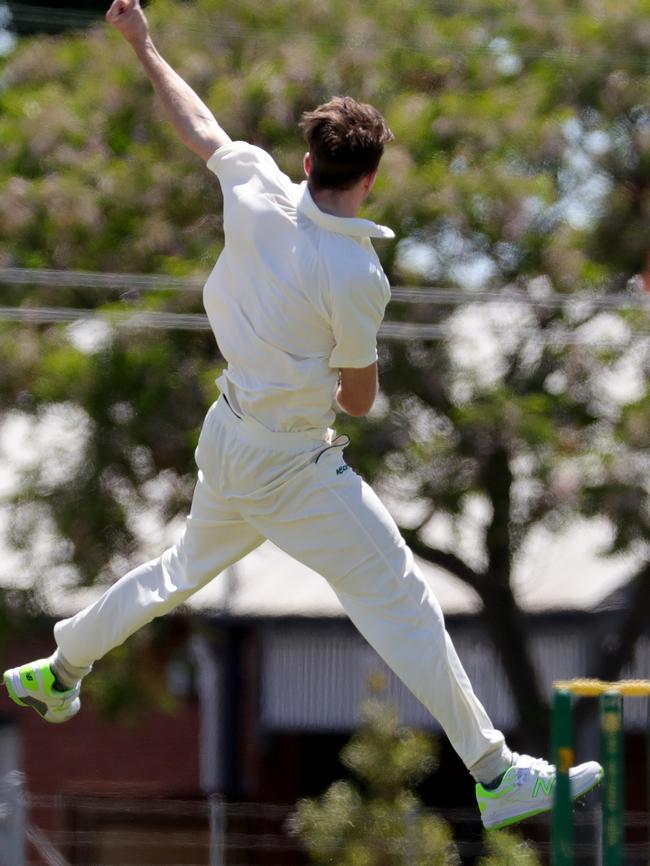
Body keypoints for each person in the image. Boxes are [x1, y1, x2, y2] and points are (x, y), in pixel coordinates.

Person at [3, 0, 602, 830]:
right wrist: (352, 373)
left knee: (179, 571)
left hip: (229, 435)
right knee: (401, 600)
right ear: (370, 175)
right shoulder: (355, 274)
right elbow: (359, 397)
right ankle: (498, 776)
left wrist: (145, 46)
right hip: (289, 464)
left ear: (308, 158)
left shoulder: (254, 184)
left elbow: (200, 124)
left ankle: (63, 664)